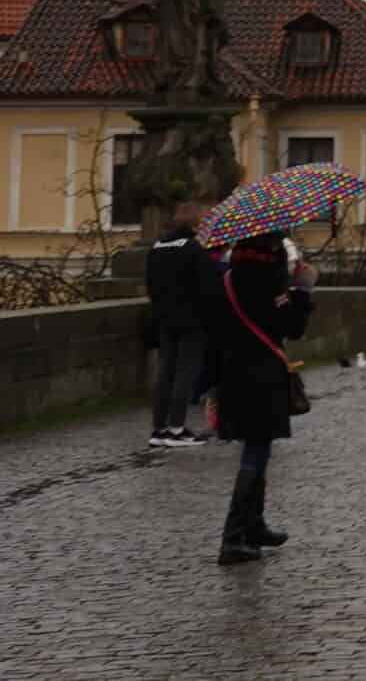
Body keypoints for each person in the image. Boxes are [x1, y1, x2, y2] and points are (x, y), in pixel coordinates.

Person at [208, 231, 314, 565]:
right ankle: (233, 535)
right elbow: (293, 327)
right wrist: (303, 291)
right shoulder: (270, 282)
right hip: (263, 373)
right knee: (255, 451)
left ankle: (254, 525)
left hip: (232, 373)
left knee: (259, 448)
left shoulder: (226, 279)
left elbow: (215, 329)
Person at [146, 200, 218, 447]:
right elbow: (207, 288)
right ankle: (177, 428)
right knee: (184, 373)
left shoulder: (157, 246)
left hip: (164, 319)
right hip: (191, 320)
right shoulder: (193, 249)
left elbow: (151, 285)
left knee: (165, 371)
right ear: (196, 223)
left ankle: (159, 429)